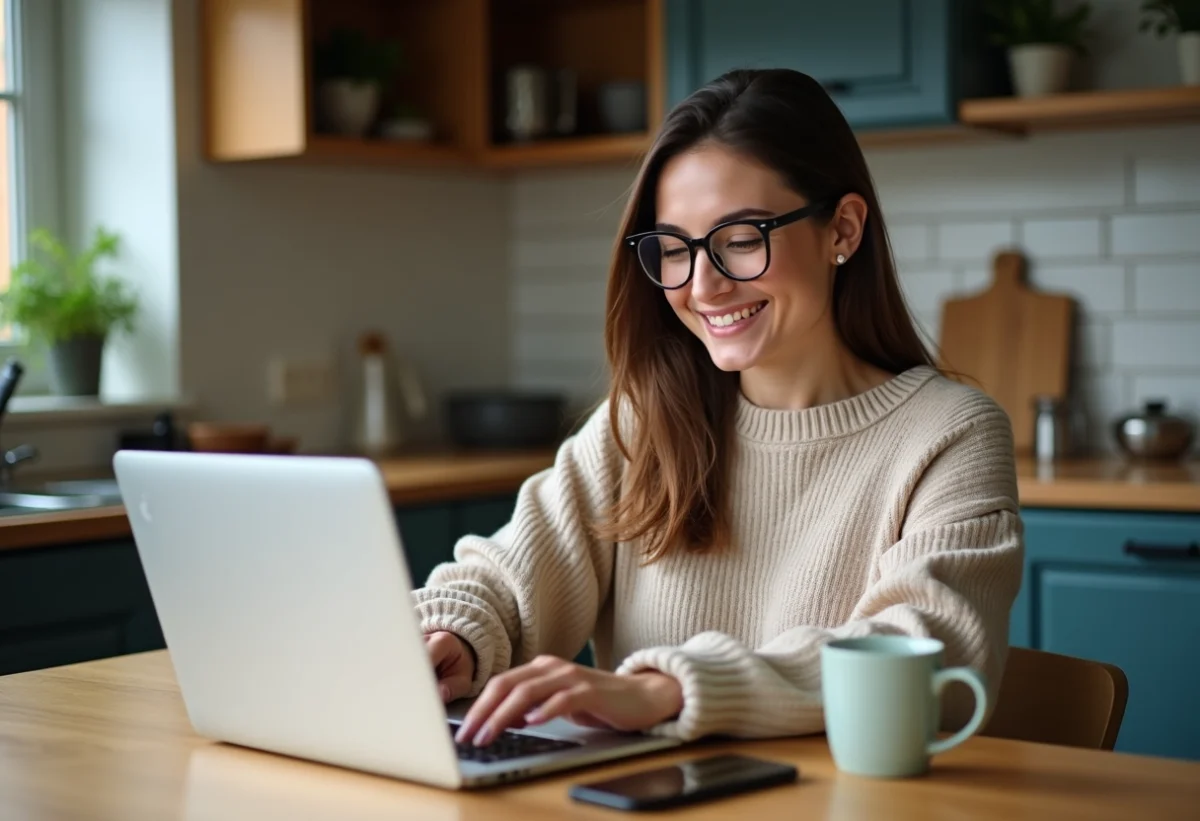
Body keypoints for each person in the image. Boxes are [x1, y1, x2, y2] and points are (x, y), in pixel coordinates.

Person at [415, 68, 1023, 749]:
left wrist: (666, 689)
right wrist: (455, 632)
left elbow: (923, 643)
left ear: (842, 229)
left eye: (739, 240)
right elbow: (509, 573)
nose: (703, 286)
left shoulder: (951, 433)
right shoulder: (645, 420)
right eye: (674, 249)